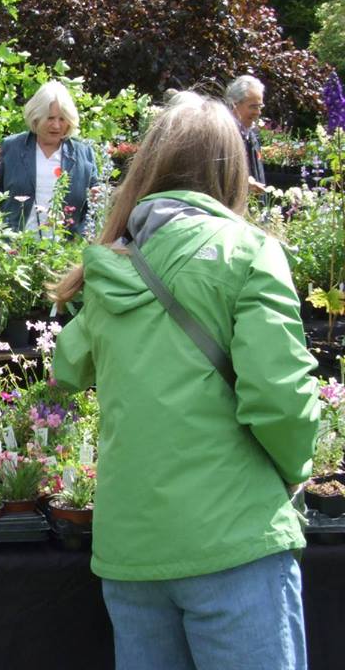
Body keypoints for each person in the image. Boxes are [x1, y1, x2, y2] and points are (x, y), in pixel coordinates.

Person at [50, 91, 319, 670]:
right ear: (232, 170)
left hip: (132, 549)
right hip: (233, 538)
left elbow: (67, 367)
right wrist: (296, 472)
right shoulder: (249, 252)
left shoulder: (109, 267)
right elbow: (281, 398)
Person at [0, 80, 98, 235]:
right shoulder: (11, 147)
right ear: (36, 117)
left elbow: (93, 207)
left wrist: (98, 196)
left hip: (64, 251)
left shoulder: (84, 153)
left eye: (62, 119)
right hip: (16, 248)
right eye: (50, 118)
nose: (56, 125)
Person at [225, 74, 266, 186]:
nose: (258, 112)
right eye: (253, 107)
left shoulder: (252, 135)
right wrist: (245, 185)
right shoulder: (224, 136)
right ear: (235, 104)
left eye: (260, 107)